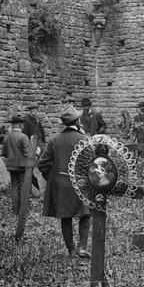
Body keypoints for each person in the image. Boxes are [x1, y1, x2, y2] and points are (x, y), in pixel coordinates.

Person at [38, 105, 91, 258]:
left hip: (61, 186)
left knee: (65, 217)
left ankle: (71, 251)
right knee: (85, 215)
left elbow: (42, 164)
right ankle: (82, 248)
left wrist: (54, 179)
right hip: (80, 184)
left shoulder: (55, 140)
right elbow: (91, 163)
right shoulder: (83, 139)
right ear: (78, 121)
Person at [0, 113, 31, 215]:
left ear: (13, 125)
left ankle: (15, 211)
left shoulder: (6, 138)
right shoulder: (24, 137)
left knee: (14, 188)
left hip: (11, 167)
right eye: (22, 123)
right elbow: (27, 154)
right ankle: (23, 211)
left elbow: (4, 153)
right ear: (20, 125)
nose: (23, 125)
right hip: (22, 167)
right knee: (23, 188)